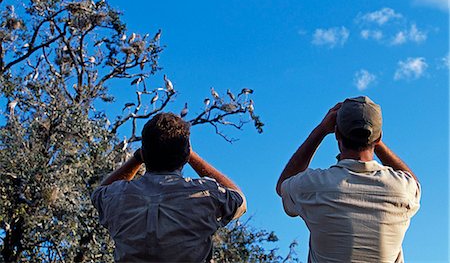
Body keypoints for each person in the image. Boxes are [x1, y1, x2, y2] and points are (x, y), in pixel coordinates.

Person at [276, 96, 420, 263]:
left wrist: (321, 130)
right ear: (379, 137)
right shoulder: (401, 189)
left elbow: (283, 185)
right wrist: (374, 138)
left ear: (336, 133)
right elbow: (414, 183)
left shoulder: (313, 186)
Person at [92, 112, 246, 263]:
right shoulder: (206, 194)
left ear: (144, 153)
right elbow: (239, 199)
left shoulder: (116, 196)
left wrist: (137, 159)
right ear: (185, 154)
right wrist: (192, 155)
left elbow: (98, 194)